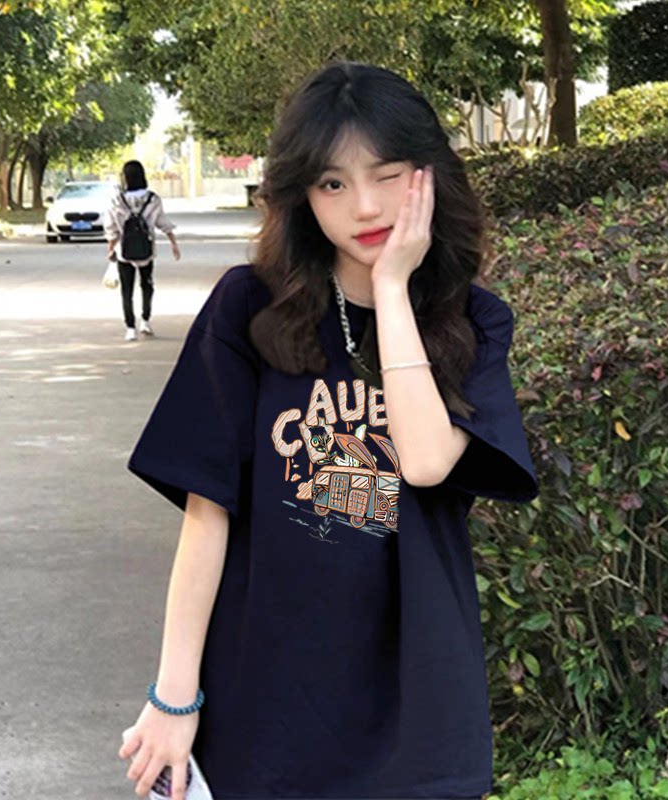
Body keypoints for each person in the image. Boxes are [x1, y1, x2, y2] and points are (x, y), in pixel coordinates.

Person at [119, 62, 539, 800]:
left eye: (387, 175)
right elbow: (208, 514)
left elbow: (427, 461)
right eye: (333, 183)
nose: (364, 206)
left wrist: (391, 288)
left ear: (428, 176)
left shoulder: (473, 322)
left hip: (415, 710)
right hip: (264, 703)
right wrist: (174, 697)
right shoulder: (248, 310)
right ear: (302, 194)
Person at [106, 160, 181, 341]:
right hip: (147, 250)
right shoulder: (153, 199)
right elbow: (162, 222)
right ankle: (145, 320)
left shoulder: (117, 201)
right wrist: (173, 243)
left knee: (126, 290)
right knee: (147, 286)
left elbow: (111, 229)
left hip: (124, 251)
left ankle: (130, 328)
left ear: (125, 177)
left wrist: (110, 249)